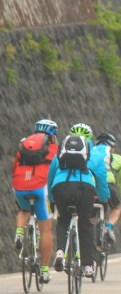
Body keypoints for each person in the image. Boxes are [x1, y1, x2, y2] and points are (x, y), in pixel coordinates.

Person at [48, 123, 110, 278]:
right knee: (85, 224)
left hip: (60, 187)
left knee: (63, 221)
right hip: (84, 188)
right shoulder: (94, 154)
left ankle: (61, 251)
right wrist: (103, 198)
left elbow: (51, 174)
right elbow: (101, 179)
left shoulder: (61, 151)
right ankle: (88, 265)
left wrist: (51, 198)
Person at [12, 119, 59, 283]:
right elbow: (56, 173)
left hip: (19, 185)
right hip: (41, 187)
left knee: (24, 210)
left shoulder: (23, 145)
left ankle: (19, 232)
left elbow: (14, 167)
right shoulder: (53, 149)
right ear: (52, 136)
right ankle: (44, 271)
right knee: (46, 230)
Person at [93, 132, 121, 244]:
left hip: (88, 186)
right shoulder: (117, 159)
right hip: (107, 186)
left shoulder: (90, 154)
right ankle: (108, 227)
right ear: (112, 148)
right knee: (116, 207)